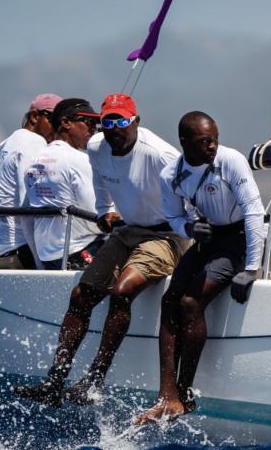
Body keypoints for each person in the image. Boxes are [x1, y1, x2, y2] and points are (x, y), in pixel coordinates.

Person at [15, 93, 189, 407]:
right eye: (107, 121)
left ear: (136, 121)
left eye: (122, 121)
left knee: (122, 290)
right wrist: (103, 209)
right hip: (126, 231)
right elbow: (99, 182)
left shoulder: (162, 155)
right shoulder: (97, 147)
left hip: (166, 235)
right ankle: (55, 379)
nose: (114, 128)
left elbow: (192, 197)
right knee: (81, 296)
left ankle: (93, 381)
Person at [135, 111, 265, 424]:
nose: (212, 147)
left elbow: (253, 212)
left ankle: (185, 393)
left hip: (238, 239)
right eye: (204, 141)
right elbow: (175, 217)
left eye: (215, 140)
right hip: (208, 238)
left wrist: (251, 268)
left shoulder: (230, 160)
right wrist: (190, 231)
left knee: (190, 302)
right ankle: (166, 395)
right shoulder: (171, 174)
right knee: (169, 301)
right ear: (185, 142)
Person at [0, 93, 62, 269]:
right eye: (54, 121)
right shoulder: (34, 143)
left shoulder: (3, 145)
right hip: (18, 249)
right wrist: (40, 262)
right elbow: (30, 207)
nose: (57, 130)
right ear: (34, 116)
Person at [25, 98, 105, 270]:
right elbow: (96, 215)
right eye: (88, 122)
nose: (93, 129)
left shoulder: (34, 161)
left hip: (47, 256)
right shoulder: (81, 160)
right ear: (66, 123)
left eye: (97, 124)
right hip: (80, 251)